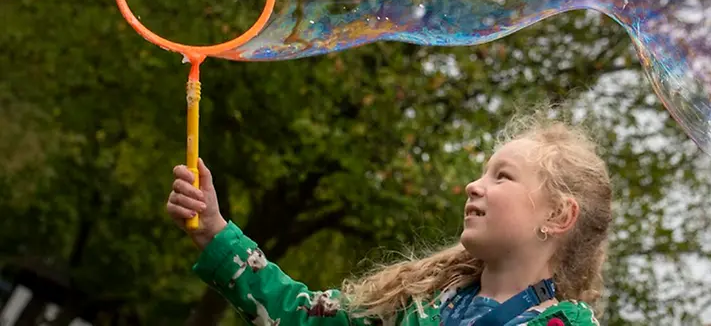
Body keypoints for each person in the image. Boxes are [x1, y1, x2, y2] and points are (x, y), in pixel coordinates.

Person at [166, 111, 613, 326]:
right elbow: (301, 316)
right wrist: (216, 232)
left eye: (503, 177)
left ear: (558, 215)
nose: (474, 186)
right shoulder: (416, 305)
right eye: (481, 173)